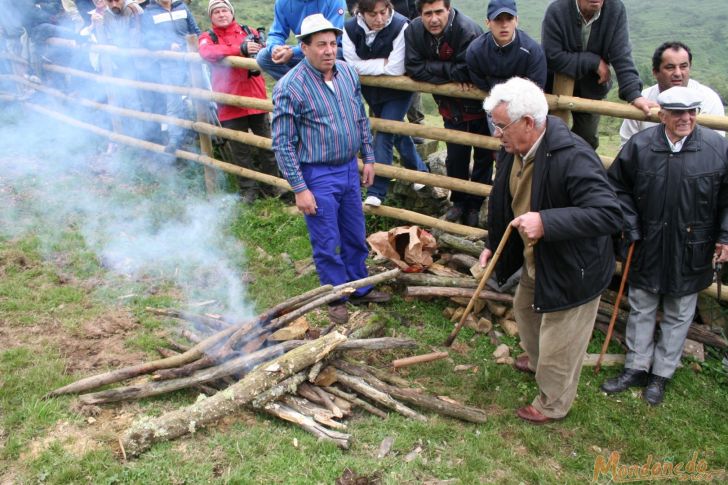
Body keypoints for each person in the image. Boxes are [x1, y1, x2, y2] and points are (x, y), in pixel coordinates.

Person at [479, 77, 621, 424]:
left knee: (561, 337)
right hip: (538, 259)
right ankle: (540, 362)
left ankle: (552, 402)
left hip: (574, 267)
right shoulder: (513, 148)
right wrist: (491, 245)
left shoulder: (573, 157)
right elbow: (503, 202)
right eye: (495, 125)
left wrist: (547, 222)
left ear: (528, 122)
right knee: (525, 311)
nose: (497, 133)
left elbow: (608, 213)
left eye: (501, 126)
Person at [601, 86, 728, 406]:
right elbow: (617, 188)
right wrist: (630, 226)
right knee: (642, 305)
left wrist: (725, 237)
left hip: (693, 245)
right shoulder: (640, 146)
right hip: (648, 241)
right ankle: (636, 366)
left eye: (691, 112)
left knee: (679, 311)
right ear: (662, 115)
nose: (685, 118)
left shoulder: (717, 148)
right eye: (677, 113)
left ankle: (661, 374)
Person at [271, 14, 390, 325]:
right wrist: (300, 188)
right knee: (326, 238)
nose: (328, 50)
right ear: (304, 47)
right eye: (320, 44)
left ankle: (359, 285)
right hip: (318, 172)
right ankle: (335, 293)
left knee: (354, 231)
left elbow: (361, 119)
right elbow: (283, 144)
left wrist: (369, 157)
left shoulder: (348, 74)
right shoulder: (290, 87)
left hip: (349, 166)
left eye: (333, 44)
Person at [405, 0, 491, 227]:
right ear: (420, 13)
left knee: (483, 156)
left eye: (438, 12)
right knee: (456, 157)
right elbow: (413, 67)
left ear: (449, 10)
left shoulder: (467, 30)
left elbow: (468, 70)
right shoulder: (414, 30)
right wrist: (451, 75)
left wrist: (431, 67)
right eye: (427, 13)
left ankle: (475, 205)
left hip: (481, 105)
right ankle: (459, 202)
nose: (433, 19)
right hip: (450, 106)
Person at [343, 0, 429, 207]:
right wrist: (382, 64)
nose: (380, 19)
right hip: (373, 92)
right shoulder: (349, 28)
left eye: (384, 12)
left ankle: (376, 191)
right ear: (360, 13)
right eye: (373, 14)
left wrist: (366, 67)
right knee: (397, 131)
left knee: (384, 133)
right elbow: (350, 63)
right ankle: (420, 172)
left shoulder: (401, 25)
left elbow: (396, 68)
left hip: (399, 92)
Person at [541, 0, 654, 150]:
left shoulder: (615, 9)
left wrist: (634, 94)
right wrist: (592, 61)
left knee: (587, 140)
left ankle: (575, 171)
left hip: (592, 87)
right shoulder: (557, 10)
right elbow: (552, 56)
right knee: (547, 137)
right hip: (553, 87)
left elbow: (622, 54)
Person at [199, 0, 281, 202]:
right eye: (216, 12)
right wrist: (240, 49)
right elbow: (207, 52)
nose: (221, 14)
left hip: (255, 99)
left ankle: (274, 187)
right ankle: (249, 192)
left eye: (224, 10)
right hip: (229, 102)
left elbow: (264, 51)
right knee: (240, 151)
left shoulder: (248, 30)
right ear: (211, 17)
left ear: (231, 12)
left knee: (267, 146)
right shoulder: (208, 37)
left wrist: (259, 47)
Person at [619, 41, 725, 145]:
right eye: (670, 67)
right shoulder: (642, 99)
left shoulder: (709, 99)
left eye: (683, 66)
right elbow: (627, 144)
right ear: (655, 72)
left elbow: (717, 146)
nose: (678, 73)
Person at [141, 0, 200, 153]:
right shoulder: (149, 13)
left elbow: (195, 30)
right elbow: (147, 40)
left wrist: (198, 45)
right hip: (169, 64)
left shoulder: (182, 7)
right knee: (174, 101)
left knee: (200, 97)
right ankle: (175, 138)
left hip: (191, 60)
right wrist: (167, 45)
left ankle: (205, 134)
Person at [465, 0, 546, 92]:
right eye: (497, 19)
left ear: (516, 21)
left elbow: (536, 87)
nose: (504, 25)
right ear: (487, 23)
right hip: (488, 101)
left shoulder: (533, 51)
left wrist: (492, 81)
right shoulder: (475, 51)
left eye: (509, 18)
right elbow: (480, 82)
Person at [256, 0, 346, 81]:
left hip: (334, 49)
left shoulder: (335, 1)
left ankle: (312, 89)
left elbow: (334, 37)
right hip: (304, 50)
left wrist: (293, 52)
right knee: (263, 57)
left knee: (331, 54)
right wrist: (275, 48)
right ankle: (301, 88)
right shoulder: (282, 2)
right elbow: (276, 33)